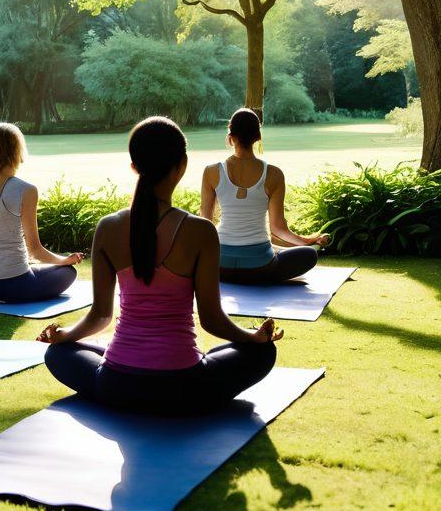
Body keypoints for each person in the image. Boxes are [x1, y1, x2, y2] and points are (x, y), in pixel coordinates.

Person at [39, 116, 282, 417]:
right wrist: (252, 336)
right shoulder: (201, 231)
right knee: (262, 352)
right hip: (184, 388)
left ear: (134, 167)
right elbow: (212, 321)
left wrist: (63, 336)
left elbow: (101, 316)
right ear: (182, 165)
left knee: (58, 353)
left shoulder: (108, 227)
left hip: (117, 385)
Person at [0, 122, 83, 304]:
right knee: (68, 272)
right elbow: (35, 250)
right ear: (17, 152)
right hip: (17, 286)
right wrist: (63, 260)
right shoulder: (26, 190)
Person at [201, 107, 330, 285]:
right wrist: (308, 241)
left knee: (270, 250)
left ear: (231, 137)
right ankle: (265, 266)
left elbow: (205, 224)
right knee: (309, 255)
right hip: (259, 268)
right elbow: (278, 229)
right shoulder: (274, 174)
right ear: (257, 137)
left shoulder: (211, 172)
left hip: (219, 267)